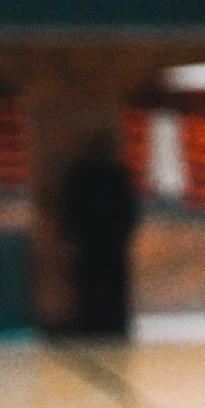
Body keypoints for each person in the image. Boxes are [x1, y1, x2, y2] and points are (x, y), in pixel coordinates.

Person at [57, 131, 139, 335]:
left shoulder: (117, 174)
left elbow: (128, 207)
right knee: (88, 283)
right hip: (87, 239)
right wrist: (73, 238)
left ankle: (116, 323)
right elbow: (70, 208)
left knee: (115, 283)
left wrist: (124, 233)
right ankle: (89, 324)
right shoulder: (80, 175)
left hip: (113, 239)